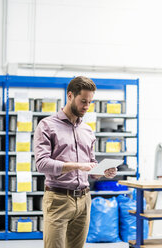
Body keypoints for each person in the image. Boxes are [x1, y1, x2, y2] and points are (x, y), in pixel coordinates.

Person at [34, 76, 117, 248]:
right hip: (58, 199)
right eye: (83, 101)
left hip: (84, 199)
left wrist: (103, 171)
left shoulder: (87, 130)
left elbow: (91, 166)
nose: (86, 106)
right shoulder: (47, 125)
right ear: (70, 95)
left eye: (90, 102)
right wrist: (78, 166)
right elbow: (41, 164)